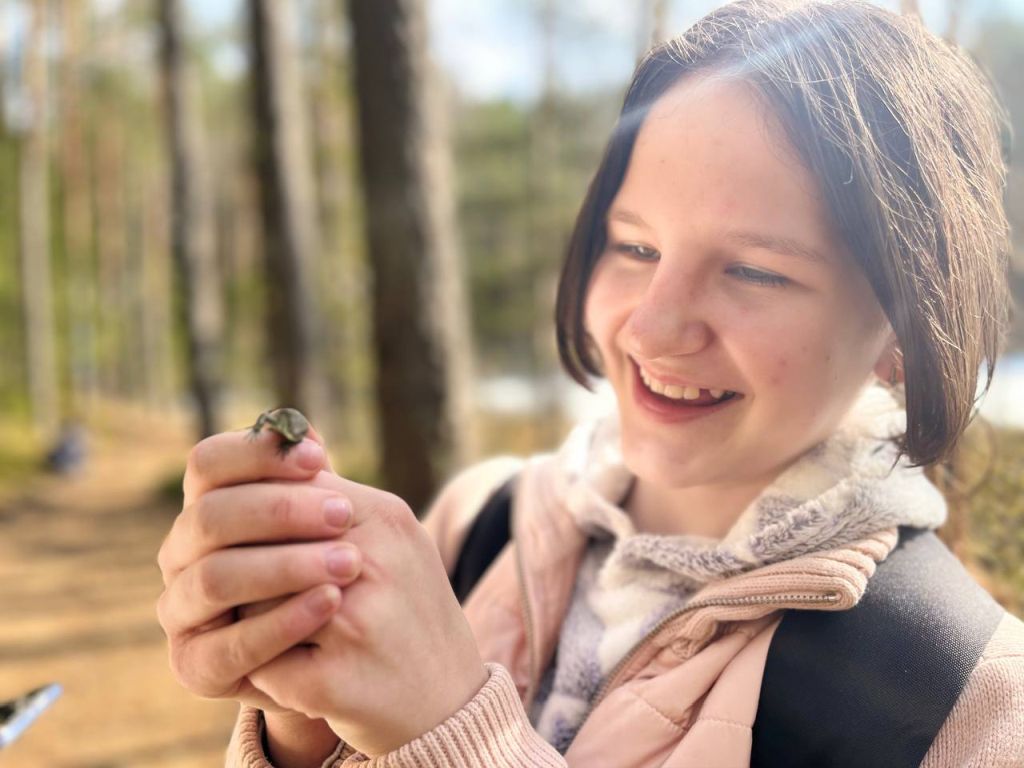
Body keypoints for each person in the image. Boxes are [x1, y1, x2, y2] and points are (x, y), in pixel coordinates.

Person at [156, 1, 1024, 766]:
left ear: (903, 333)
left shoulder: (973, 711)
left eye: (755, 272)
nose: (650, 327)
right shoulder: (476, 527)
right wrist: (306, 729)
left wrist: (450, 732)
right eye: (635, 246)